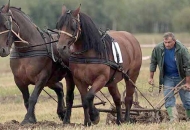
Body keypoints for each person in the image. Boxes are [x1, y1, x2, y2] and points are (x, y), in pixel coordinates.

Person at [148, 32, 190, 122]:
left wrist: (188, 83)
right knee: (168, 97)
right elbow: (153, 62)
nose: (167, 44)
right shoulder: (158, 48)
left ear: (174, 41)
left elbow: (188, 66)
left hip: (181, 77)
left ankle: (189, 117)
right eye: (165, 42)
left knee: (187, 99)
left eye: (169, 42)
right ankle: (173, 119)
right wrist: (151, 77)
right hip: (167, 77)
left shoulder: (182, 49)